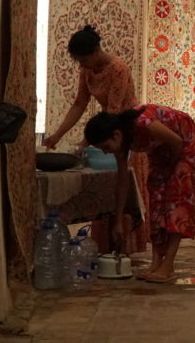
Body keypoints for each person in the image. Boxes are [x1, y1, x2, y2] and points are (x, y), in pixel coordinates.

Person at [44, 25, 150, 253]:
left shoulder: (118, 68)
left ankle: (124, 245)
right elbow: (79, 104)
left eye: (83, 60)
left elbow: (113, 111)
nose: (81, 66)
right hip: (106, 130)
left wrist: (87, 142)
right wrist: (56, 135)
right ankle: (106, 245)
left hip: (123, 132)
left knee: (122, 184)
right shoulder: (88, 70)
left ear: (94, 52)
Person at [84, 105, 195, 283]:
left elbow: (176, 142)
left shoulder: (143, 123)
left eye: (106, 147)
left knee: (178, 196)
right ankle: (156, 262)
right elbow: (122, 182)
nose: (106, 152)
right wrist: (117, 222)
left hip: (183, 141)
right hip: (161, 147)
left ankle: (168, 265)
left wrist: (170, 168)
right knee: (156, 195)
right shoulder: (120, 143)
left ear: (115, 135)